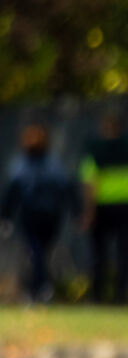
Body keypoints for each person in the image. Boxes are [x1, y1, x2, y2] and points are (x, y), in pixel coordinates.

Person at [79, 111, 128, 304]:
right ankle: (120, 295)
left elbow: (89, 182)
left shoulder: (95, 148)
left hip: (102, 207)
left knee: (99, 255)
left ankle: (98, 295)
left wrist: (88, 212)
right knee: (126, 253)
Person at [1, 124, 78, 304]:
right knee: (36, 253)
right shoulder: (25, 165)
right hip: (31, 217)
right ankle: (41, 288)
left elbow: (67, 188)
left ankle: (40, 287)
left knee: (40, 253)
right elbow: (12, 192)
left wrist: (76, 211)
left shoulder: (48, 164)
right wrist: (5, 217)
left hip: (49, 217)